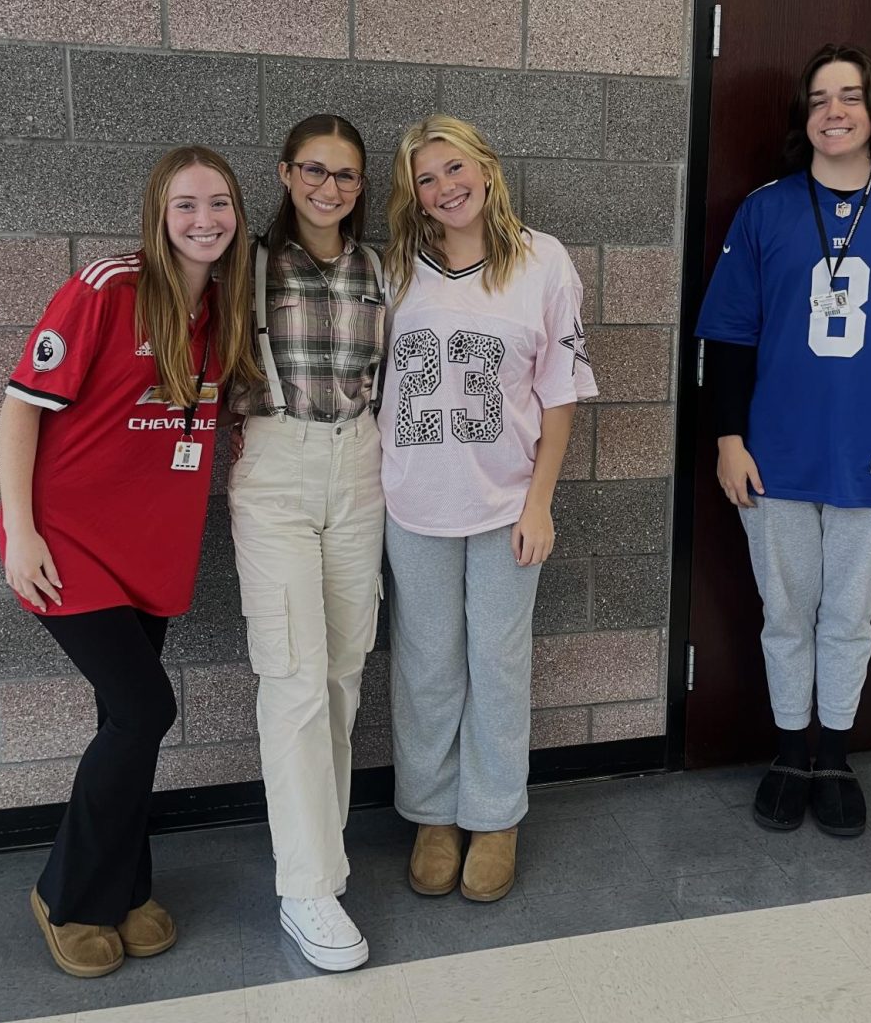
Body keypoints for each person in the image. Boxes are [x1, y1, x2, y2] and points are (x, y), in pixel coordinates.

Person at [696, 44, 871, 836]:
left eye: (849, 96)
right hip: (773, 455)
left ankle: (837, 753)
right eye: (819, 98)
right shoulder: (765, 210)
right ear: (804, 116)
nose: (834, 112)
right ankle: (791, 750)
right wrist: (728, 438)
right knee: (785, 611)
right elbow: (732, 340)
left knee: (849, 615)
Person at [0, 146, 258, 977]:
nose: (204, 220)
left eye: (218, 203)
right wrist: (22, 529)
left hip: (151, 553)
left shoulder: (224, 306)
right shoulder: (106, 287)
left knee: (125, 721)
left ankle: (127, 889)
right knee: (145, 710)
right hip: (67, 547)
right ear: (159, 211)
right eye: (186, 204)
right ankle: (68, 895)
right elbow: (19, 409)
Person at [381, 115, 597, 901]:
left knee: (498, 666)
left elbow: (561, 395)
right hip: (414, 503)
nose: (444, 188)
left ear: (486, 166)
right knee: (427, 665)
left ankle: (496, 815)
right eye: (425, 179)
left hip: (507, 502)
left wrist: (539, 505)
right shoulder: (396, 268)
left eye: (453, 168)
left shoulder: (544, 261)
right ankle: (434, 815)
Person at [227, 115, 385, 972]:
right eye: (315, 172)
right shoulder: (247, 265)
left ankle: (320, 859)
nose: (330, 188)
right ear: (286, 174)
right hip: (276, 466)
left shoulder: (376, 269)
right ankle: (307, 887)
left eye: (347, 176)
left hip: (361, 465)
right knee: (292, 676)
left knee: (341, 672)